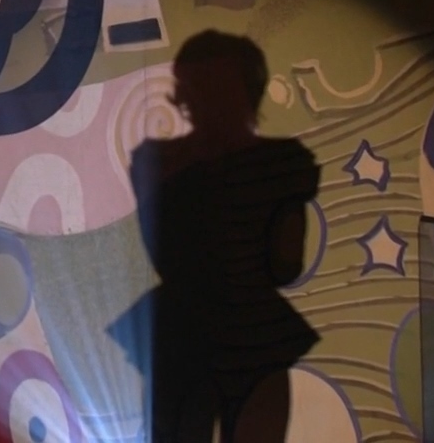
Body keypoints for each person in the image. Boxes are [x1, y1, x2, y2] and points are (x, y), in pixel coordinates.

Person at [116, 30, 320, 442]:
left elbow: (165, 253)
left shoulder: (156, 162)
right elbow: (285, 266)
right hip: (252, 333)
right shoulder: (282, 164)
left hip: (184, 332)